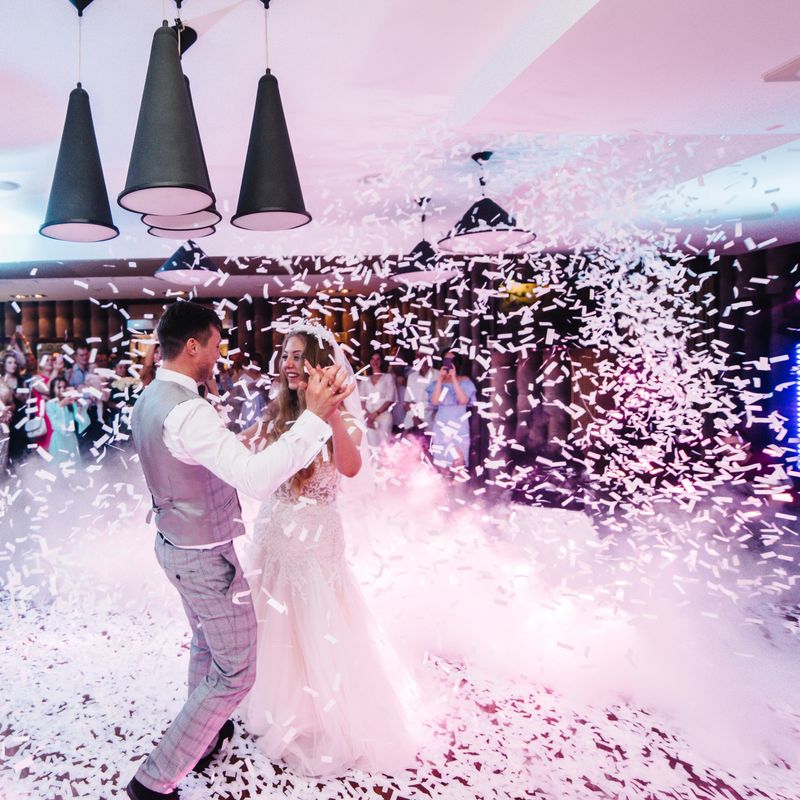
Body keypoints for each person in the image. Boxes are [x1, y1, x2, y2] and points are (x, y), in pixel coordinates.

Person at [125, 301, 353, 800]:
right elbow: (254, 479)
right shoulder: (189, 412)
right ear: (193, 347)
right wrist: (314, 417)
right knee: (237, 671)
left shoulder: (151, 398)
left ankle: (202, 737)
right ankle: (155, 780)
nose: (218, 352)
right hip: (203, 559)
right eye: (214, 343)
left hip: (175, 544)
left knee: (207, 643)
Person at [240, 322, 417, 777]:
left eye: (299, 356)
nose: (289, 364)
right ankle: (277, 702)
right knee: (272, 622)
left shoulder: (347, 418)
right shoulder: (275, 412)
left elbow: (351, 467)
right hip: (274, 532)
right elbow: (248, 459)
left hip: (315, 540)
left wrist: (331, 412)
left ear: (320, 365)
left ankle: (321, 714)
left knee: (319, 625)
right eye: (286, 355)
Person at [426, 350, 477, 473]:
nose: (448, 363)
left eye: (451, 361)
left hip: (459, 425)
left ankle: (459, 491)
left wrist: (454, 379)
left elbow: (464, 400)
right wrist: (440, 379)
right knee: (442, 464)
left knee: (459, 463)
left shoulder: (465, 381)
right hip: (441, 425)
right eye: (446, 360)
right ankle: (444, 491)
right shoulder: (436, 383)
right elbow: (435, 401)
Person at [45, 376, 89, 463]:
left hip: (71, 438)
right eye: (59, 387)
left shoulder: (70, 402)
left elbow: (80, 419)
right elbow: (54, 422)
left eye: (64, 387)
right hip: (58, 439)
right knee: (58, 466)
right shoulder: (50, 404)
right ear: (53, 389)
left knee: (73, 464)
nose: (62, 390)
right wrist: (61, 405)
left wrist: (80, 405)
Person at [358, 351, 396, 449]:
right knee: (371, 446)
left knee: (384, 446)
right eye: (373, 359)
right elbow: (361, 401)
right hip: (368, 417)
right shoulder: (365, 380)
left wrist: (375, 414)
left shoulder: (388, 377)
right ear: (370, 361)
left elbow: (390, 399)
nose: (375, 361)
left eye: (378, 359)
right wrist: (367, 416)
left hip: (384, 416)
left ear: (382, 361)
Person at [1, 350, 27, 463]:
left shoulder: (21, 380)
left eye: (15, 363)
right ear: (4, 365)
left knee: (19, 442)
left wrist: (20, 397)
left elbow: (27, 400)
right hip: (5, 418)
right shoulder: (1, 380)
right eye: (10, 362)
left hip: (19, 415)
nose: (13, 365)